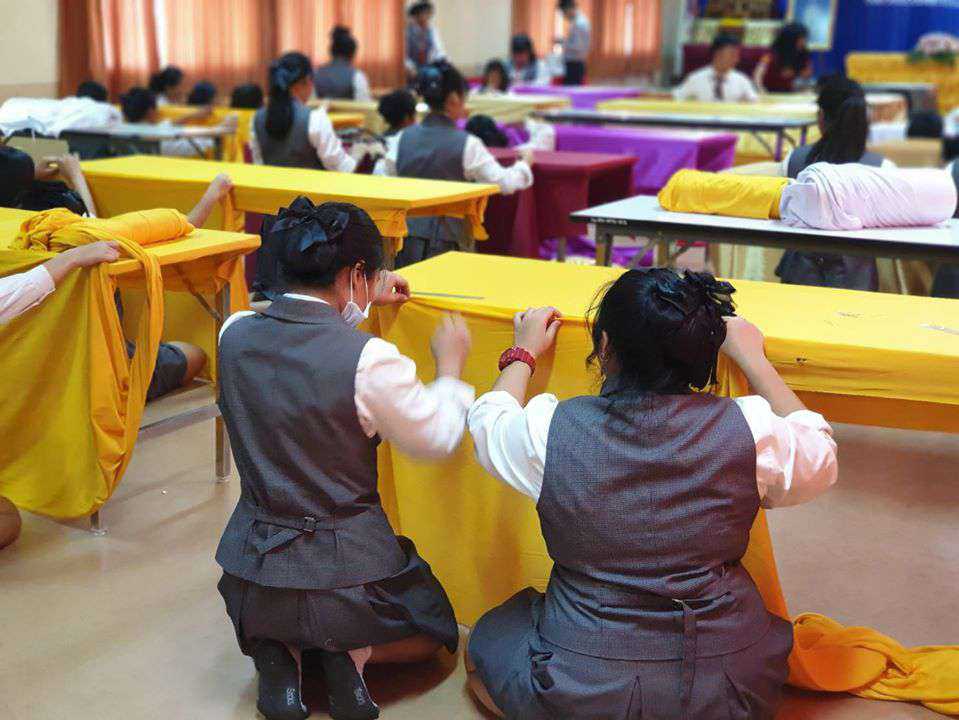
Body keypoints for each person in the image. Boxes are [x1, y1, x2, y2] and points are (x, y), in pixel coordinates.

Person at [466, 269, 838, 720]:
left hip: (583, 686)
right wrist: (752, 358)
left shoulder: (551, 431)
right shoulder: (750, 431)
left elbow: (489, 421)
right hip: (730, 685)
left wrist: (522, 352)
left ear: (605, 346)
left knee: (486, 645)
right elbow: (819, 451)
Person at [215, 198, 473, 720]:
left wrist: (367, 292)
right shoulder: (368, 358)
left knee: (284, 609)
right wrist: (450, 369)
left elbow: (299, 332)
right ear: (356, 275)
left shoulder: (232, 332)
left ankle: (278, 651)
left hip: (256, 564)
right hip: (347, 569)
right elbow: (435, 438)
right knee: (432, 630)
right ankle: (345, 653)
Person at [378, 61, 534, 265]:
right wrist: (524, 165)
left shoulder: (401, 138)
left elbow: (380, 178)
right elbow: (503, 182)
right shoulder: (468, 144)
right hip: (450, 243)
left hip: (403, 241)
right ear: (453, 99)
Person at [777, 75, 894, 291]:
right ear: (863, 118)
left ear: (821, 117)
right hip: (857, 283)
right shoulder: (883, 169)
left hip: (798, 279)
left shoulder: (793, 161)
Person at [250, 52, 359, 173]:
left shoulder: (256, 118)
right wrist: (360, 161)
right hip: (312, 185)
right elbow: (339, 166)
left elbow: (258, 162)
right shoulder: (315, 118)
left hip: (270, 184)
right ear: (306, 80)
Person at [673, 34, 758, 103]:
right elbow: (675, 98)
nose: (736, 59)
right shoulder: (696, 78)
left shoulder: (742, 80)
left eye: (737, 56)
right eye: (732, 55)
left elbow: (754, 103)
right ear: (718, 54)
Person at [314, 26, 372, 102]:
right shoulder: (357, 76)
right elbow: (365, 105)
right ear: (352, 53)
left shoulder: (316, 73)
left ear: (331, 51)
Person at [754, 23, 813, 94]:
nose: (803, 42)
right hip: (768, 92)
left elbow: (806, 75)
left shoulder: (803, 54)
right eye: (801, 39)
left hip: (789, 93)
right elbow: (758, 76)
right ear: (790, 40)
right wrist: (761, 91)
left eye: (804, 39)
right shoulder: (771, 55)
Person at [405, 1, 446, 80]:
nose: (427, 17)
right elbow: (404, 56)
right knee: (432, 74)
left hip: (429, 65)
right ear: (415, 16)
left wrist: (442, 61)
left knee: (448, 72)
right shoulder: (408, 32)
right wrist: (410, 67)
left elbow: (439, 50)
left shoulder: (432, 31)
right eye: (424, 14)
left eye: (429, 14)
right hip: (413, 67)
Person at [557, 0, 591, 86]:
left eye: (564, 12)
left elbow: (578, 47)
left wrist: (563, 42)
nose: (564, 16)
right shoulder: (576, 21)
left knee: (571, 91)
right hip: (574, 63)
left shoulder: (580, 23)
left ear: (569, 9)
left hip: (575, 64)